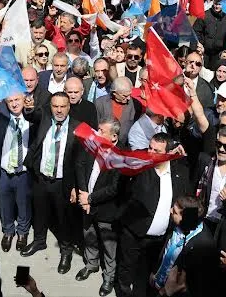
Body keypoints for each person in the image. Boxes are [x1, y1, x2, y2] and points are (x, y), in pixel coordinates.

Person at [117, 133, 190, 297]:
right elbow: (121, 190)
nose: (150, 153)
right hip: (133, 233)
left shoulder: (181, 172)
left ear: (169, 153)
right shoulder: (139, 167)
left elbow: (186, 199)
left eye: (157, 150)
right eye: (150, 147)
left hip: (159, 239)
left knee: (148, 273)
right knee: (126, 268)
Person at [21, 92, 81, 276]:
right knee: (39, 212)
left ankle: (66, 251)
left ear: (69, 107)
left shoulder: (78, 129)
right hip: (41, 177)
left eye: (63, 106)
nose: (59, 110)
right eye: (55, 106)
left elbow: (80, 161)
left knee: (64, 219)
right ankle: (39, 241)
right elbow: (30, 114)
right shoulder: (45, 119)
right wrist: (29, 107)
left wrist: (76, 187)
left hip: (62, 182)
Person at [74, 120, 121, 296]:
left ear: (114, 136)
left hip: (106, 210)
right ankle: (91, 264)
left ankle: (109, 276)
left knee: (109, 246)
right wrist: (83, 193)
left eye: (102, 131)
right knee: (89, 235)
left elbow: (114, 188)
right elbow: (80, 166)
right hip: (87, 203)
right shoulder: (91, 146)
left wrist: (90, 198)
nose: (97, 133)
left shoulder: (120, 156)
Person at [0, 93, 32, 254]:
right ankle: (8, 232)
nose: (14, 104)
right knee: (5, 204)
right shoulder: (1, 118)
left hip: (23, 171)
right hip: (4, 170)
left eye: (17, 100)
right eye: (10, 101)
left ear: (24, 100)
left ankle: (22, 233)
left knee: (23, 204)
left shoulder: (32, 119)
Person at [149, 195, 217, 297]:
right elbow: (165, 252)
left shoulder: (203, 245)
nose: (170, 211)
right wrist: (156, 272)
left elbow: (196, 283)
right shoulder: (174, 225)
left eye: (175, 212)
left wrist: (165, 292)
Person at [95, 77, 138, 146]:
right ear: (115, 93)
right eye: (125, 96)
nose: (129, 98)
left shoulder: (135, 105)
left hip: (123, 147)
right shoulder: (100, 103)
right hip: (102, 146)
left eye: (130, 95)